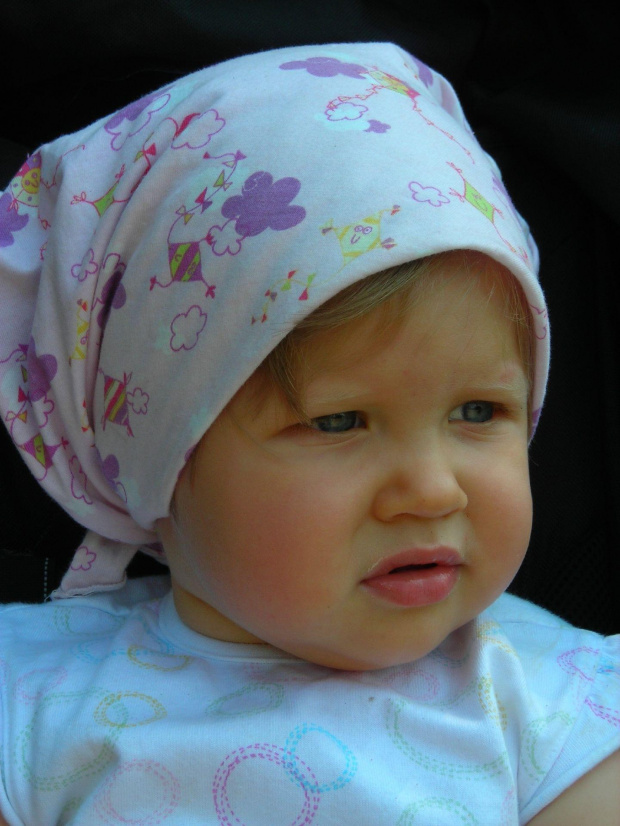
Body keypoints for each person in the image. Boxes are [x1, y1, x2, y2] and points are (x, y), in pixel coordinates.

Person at [0, 42, 617, 825]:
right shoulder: (28, 700)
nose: (432, 490)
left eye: (477, 412)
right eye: (338, 421)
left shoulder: (562, 714)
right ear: (160, 455)